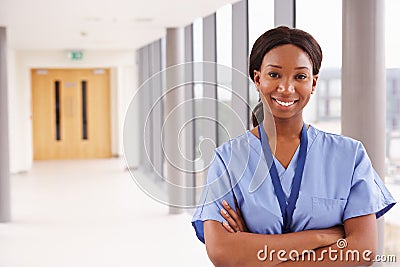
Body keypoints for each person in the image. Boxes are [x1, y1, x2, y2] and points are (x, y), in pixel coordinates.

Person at [191, 26, 396, 266]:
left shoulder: (349, 156)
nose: (286, 88)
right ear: (258, 79)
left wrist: (253, 250)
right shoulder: (228, 159)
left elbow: (362, 250)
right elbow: (222, 252)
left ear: (314, 82)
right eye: (274, 75)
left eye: (300, 76)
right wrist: (320, 237)